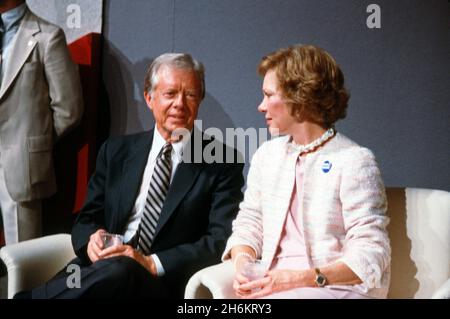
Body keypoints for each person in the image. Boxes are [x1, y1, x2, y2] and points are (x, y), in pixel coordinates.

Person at [24, 52, 244, 298]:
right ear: (149, 98)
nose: (180, 104)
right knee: (100, 273)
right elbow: (87, 218)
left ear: (199, 101)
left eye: (190, 95)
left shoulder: (222, 161)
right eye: (170, 94)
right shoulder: (116, 151)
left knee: (120, 270)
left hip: (161, 282)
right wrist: (92, 241)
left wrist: (150, 262)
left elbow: (218, 240)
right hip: (98, 270)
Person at [223, 44, 391, 299]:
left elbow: (371, 252)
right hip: (273, 285)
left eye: (269, 95)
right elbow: (249, 223)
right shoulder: (267, 156)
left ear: (300, 98)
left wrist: (302, 279)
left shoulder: (354, 161)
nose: (261, 106)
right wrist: (243, 265)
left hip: (332, 288)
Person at [0, 0, 83, 245]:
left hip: (19, 168)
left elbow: (69, 109)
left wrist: (32, 145)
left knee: (21, 265)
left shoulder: (48, 36)